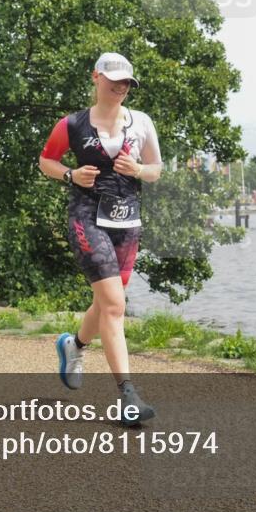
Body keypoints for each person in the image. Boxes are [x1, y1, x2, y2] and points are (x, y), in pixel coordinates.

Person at [38, 52, 162, 424]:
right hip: (86, 217)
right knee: (113, 305)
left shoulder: (141, 123)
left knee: (108, 303)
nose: (121, 86)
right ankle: (128, 395)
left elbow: (156, 169)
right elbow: (47, 161)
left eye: (127, 82)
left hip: (127, 221)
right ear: (96, 77)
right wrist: (70, 176)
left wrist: (139, 169)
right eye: (114, 79)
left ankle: (73, 345)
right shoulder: (72, 124)